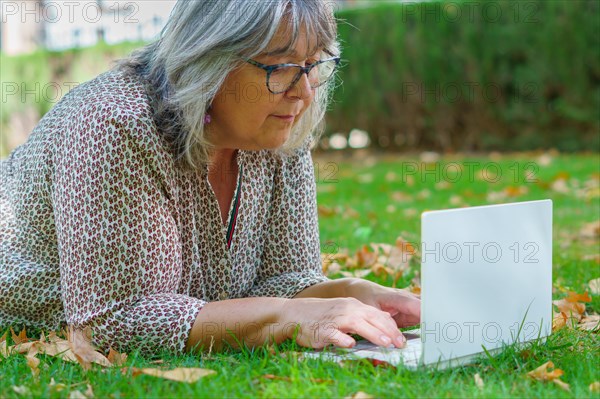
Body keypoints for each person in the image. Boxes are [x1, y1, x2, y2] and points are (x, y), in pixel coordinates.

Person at [0, 0, 420, 356]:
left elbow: (280, 280)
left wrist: (350, 293)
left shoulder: (277, 127)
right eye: (280, 67)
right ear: (208, 61)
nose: (304, 91)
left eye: (313, 65)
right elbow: (110, 322)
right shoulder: (113, 125)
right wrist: (284, 318)